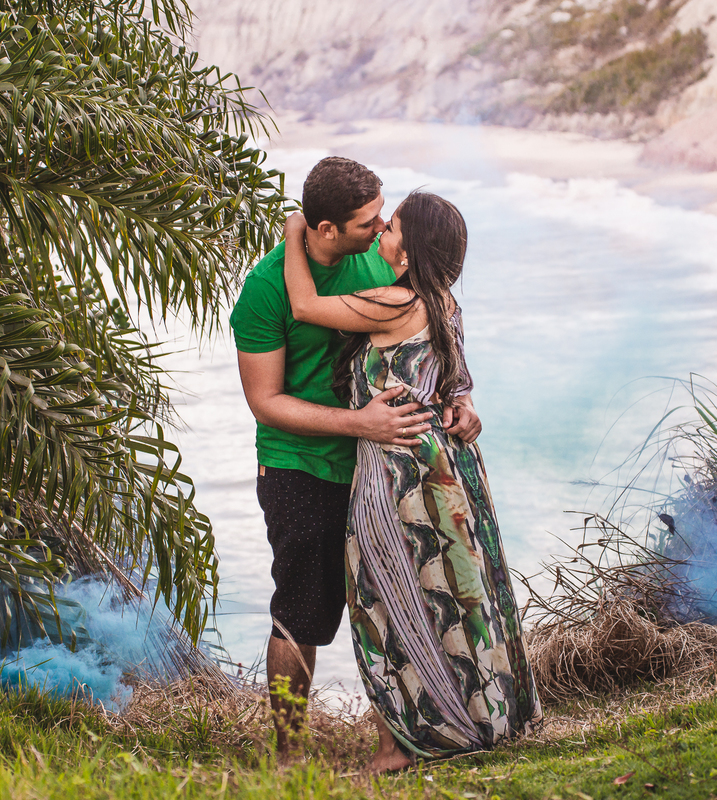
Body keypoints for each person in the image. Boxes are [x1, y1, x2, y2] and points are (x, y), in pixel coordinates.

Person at [280, 191, 542, 773]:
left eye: (392, 227)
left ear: (411, 248)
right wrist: (464, 406)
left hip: (397, 475)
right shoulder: (444, 301)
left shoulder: (394, 303)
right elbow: (457, 382)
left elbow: (302, 304)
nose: (381, 233)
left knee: (384, 597)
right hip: (450, 471)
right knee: (456, 593)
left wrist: (296, 227)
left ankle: (401, 743)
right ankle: (485, 714)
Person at [230, 157, 483, 758]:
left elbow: (430, 330)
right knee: (301, 614)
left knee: (397, 606)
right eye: (369, 221)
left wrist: (462, 397)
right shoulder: (265, 291)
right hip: (302, 467)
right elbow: (265, 402)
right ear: (326, 229)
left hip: (386, 471)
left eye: (383, 219)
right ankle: (289, 754)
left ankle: (407, 739)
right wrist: (358, 423)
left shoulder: (382, 257)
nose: (381, 228)